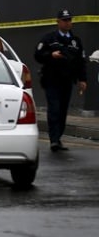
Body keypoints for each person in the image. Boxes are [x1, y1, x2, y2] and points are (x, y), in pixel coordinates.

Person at [34, 9, 87, 152]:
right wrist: (51, 55)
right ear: (58, 22)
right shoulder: (49, 38)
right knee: (54, 109)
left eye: (69, 20)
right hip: (52, 80)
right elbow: (38, 55)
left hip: (67, 81)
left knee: (63, 110)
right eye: (65, 20)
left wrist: (82, 79)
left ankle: (58, 137)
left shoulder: (75, 41)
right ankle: (54, 140)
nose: (68, 23)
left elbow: (81, 62)